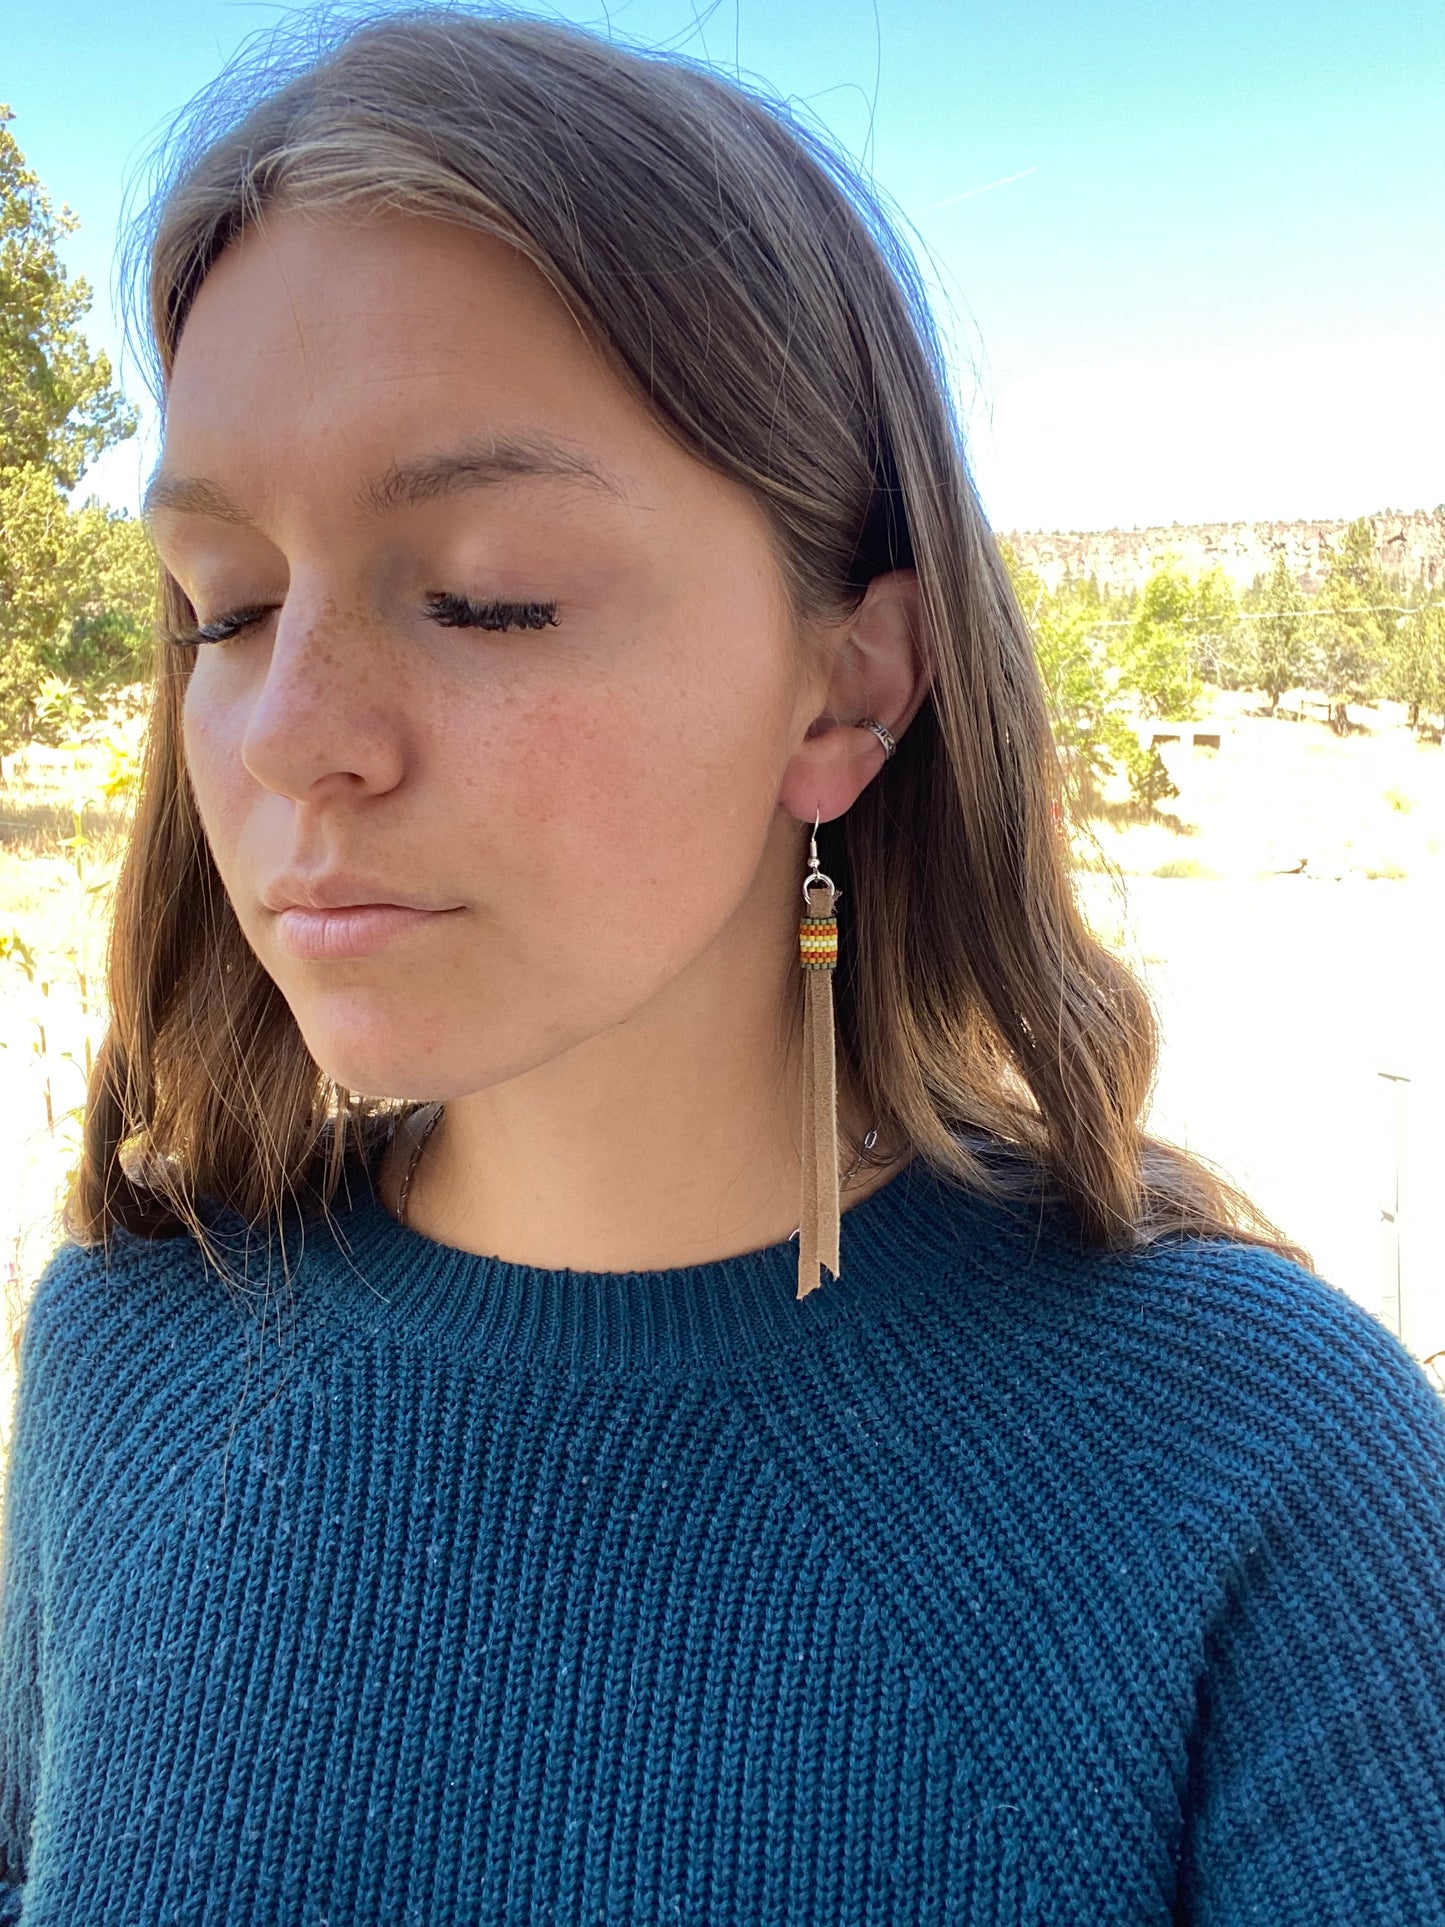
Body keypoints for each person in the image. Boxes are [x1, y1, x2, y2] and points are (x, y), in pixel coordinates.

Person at [3, 7, 1445, 1922]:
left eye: (483, 591)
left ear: (847, 683)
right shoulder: (130, 1367)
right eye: (224, 609)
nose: (288, 731)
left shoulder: (1260, 1477)